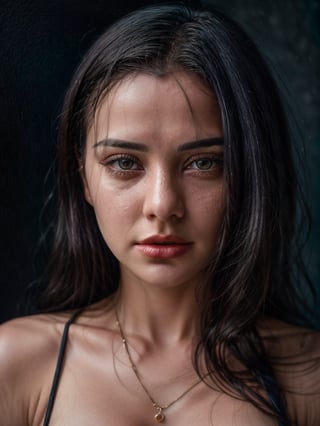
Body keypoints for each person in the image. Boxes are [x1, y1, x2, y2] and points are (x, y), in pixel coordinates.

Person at [0, 3, 319, 425]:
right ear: (83, 177)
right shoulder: (16, 365)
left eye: (203, 163)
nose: (162, 205)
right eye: (124, 162)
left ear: (250, 172)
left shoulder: (308, 376)